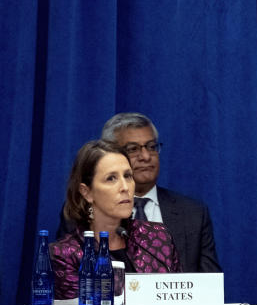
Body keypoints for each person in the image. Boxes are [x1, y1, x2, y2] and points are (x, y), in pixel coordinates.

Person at [56, 112, 221, 273]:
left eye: (151, 147)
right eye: (133, 149)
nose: (146, 156)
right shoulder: (81, 212)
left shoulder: (193, 214)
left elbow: (210, 287)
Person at [50, 140, 181, 299]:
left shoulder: (158, 237)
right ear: (87, 192)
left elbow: (180, 300)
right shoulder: (65, 255)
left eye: (127, 176)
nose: (125, 187)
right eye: (111, 178)